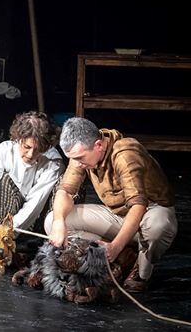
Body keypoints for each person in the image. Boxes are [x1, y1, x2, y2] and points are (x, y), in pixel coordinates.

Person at [45, 117, 177, 292]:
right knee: (52, 221)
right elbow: (65, 192)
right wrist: (58, 222)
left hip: (149, 213)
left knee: (159, 226)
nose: (78, 163)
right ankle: (121, 256)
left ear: (99, 145)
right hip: (118, 215)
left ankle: (141, 269)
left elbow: (138, 206)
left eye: (80, 158)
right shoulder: (81, 153)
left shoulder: (125, 154)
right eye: (73, 159)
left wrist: (116, 246)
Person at [0, 111, 64, 236]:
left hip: (37, 219)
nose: (30, 154)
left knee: (63, 185)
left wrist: (10, 228)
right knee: (5, 180)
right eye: (27, 147)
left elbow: (34, 204)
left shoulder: (53, 162)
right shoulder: (3, 152)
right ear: (18, 139)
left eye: (38, 149)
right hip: (2, 218)